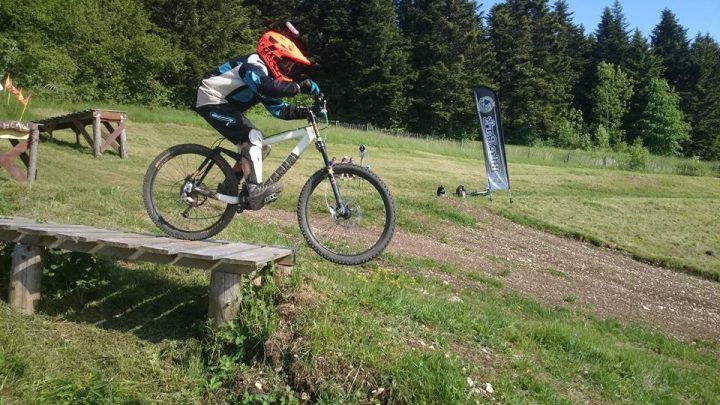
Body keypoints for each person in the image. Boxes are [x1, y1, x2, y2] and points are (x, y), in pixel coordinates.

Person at [192, 30, 321, 210]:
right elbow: (266, 87)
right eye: (285, 62)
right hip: (210, 98)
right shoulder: (253, 64)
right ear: (271, 54)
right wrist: (297, 88)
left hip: (223, 104)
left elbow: (280, 110)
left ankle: (229, 186)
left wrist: (308, 111)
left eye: (290, 65)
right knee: (252, 136)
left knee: (263, 146)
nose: (288, 68)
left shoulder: (265, 76)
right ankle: (254, 191)